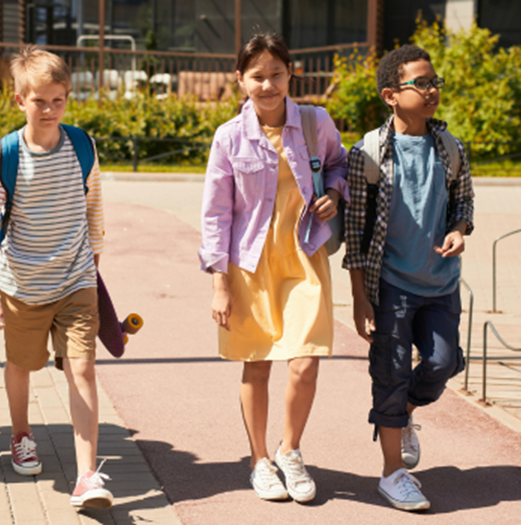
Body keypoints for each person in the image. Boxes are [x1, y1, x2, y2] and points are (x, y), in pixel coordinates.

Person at [199, 33, 348, 503]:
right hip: (249, 265)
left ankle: (290, 450)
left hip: (304, 256)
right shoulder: (228, 137)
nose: (267, 85)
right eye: (257, 76)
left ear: (291, 73)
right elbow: (215, 214)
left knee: (305, 363)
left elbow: (341, 164)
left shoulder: (313, 121)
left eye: (276, 74)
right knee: (257, 366)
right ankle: (259, 460)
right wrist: (219, 283)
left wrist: (334, 194)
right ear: (241, 79)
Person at [0, 45, 113, 510]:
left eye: (59, 99)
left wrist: (94, 257)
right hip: (22, 286)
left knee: (83, 368)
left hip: (76, 279)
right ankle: (20, 433)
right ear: (19, 100)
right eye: (40, 101)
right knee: (22, 365)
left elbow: (92, 202)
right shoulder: (7, 154)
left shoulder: (81, 144)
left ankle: (87, 476)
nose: (50, 109)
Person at [344, 44, 474, 512]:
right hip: (392, 286)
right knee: (391, 374)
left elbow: (464, 204)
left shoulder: (451, 147)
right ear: (391, 95)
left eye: (434, 80)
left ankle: (406, 416)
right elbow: (355, 232)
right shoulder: (369, 153)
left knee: (443, 363)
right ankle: (392, 473)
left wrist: (459, 230)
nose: (432, 88)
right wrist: (360, 299)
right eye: (421, 82)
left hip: (441, 284)